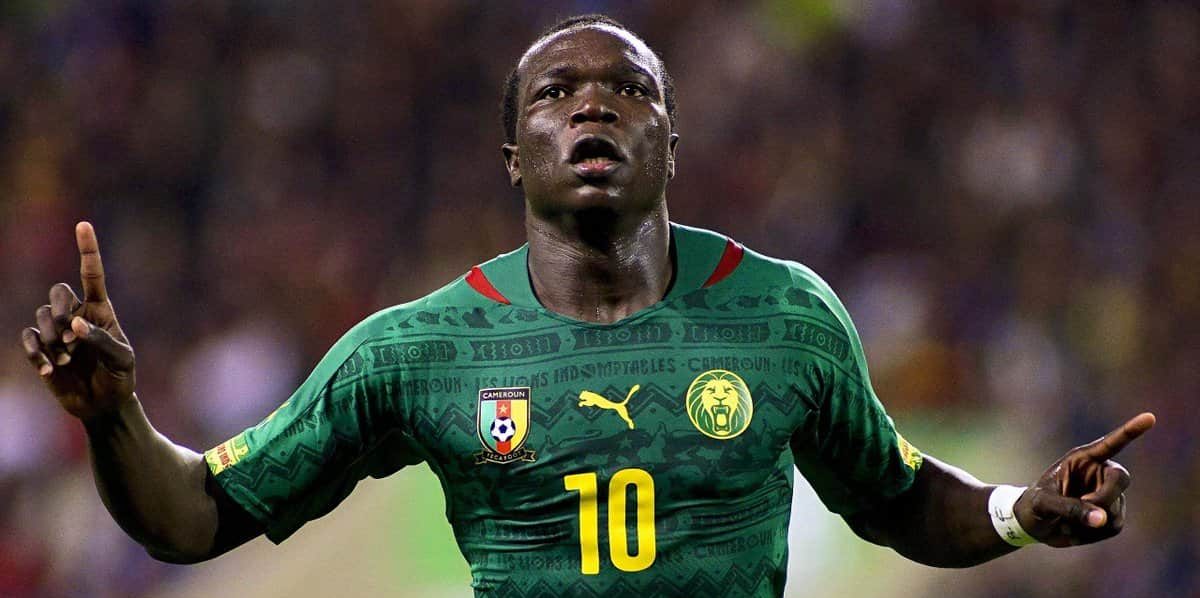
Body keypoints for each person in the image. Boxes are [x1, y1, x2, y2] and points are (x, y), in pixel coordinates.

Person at [19, 14, 1155, 597]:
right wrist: (113, 420)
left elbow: (898, 499)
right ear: (515, 155)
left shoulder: (786, 317)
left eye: (630, 89)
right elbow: (194, 518)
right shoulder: (416, 351)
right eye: (557, 92)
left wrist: (1019, 510)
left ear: (672, 141)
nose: (593, 106)